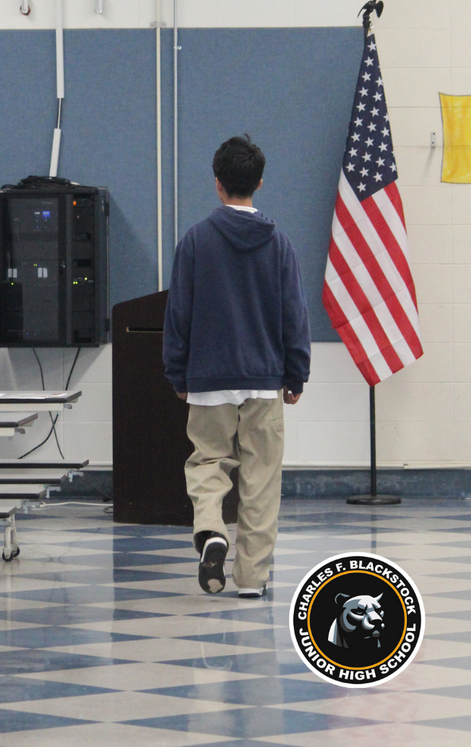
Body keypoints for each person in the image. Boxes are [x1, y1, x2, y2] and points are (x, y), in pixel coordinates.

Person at [163, 136, 311, 597]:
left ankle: (211, 533)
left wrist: (177, 373)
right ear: (259, 182)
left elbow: (179, 313)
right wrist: (296, 373)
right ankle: (251, 579)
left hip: (209, 381)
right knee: (261, 479)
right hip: (265, 382)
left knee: (208, 462)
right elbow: (294, 313)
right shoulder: (279, 244)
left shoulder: (195, 241)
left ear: (217, 184)